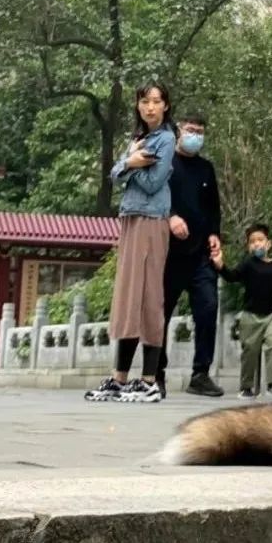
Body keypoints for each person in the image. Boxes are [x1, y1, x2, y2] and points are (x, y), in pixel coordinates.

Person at [85, 83, 175, 403]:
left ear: (165, 106)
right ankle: (119, 377)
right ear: (138, 106)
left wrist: (130, 166)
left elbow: (153, 183)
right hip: (131, 219)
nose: (150, 107)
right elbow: (113, 173)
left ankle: (149, 379)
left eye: (156, 101)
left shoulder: (166, 139)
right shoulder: (138, 140)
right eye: (144, 101)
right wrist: (130, 161)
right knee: (127, 296)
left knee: (149, 296)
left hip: (152, 220)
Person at [158, 114, 225, 398]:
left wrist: (214, 234)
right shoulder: (165, 165)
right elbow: (154, 197)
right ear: (178, 131)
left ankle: (201, 374)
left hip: (200, 255)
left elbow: (213, 208)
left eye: (200, 131)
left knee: (208, 308)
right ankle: (155, 372)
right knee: (160, 312)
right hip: (169, 253)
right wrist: (171, 217)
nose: (195, 135)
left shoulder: (206, 169)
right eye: (190, 130)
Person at [211, 222, 272, 400]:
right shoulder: (248, 264)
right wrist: (220, 266)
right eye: (252, 242)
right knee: (250, 352)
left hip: (269, 316)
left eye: (260, 240)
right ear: (248, 246)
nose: (257, 244)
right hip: (250, 316)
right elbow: (232, 276)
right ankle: (246, 387)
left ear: (269, 243)